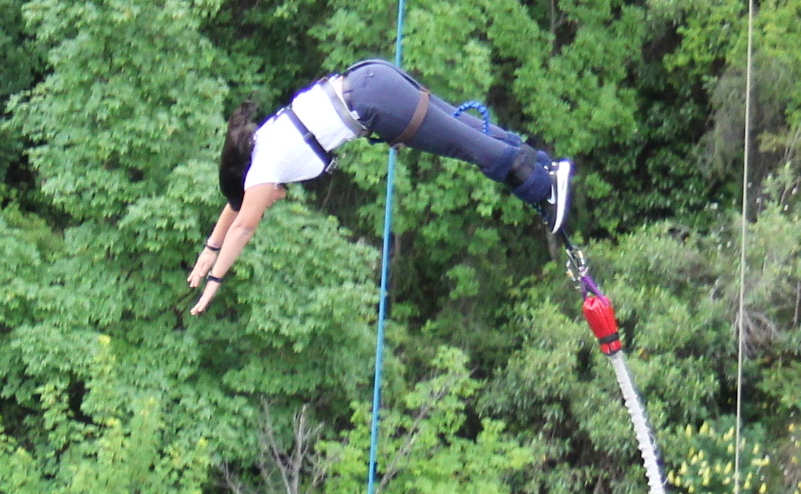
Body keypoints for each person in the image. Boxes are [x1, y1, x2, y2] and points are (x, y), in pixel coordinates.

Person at [184, 59, 576, 316]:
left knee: (467, 145)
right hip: (370, 80)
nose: (271, 201)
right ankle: (542, 164)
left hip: (376, 103)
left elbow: (243, 224)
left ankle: (542, 186)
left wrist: (215, 280)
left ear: (248, 182)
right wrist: (210, 248)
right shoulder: (262, 145)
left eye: (263, 201)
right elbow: (236, 206)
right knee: (466, 131)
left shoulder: (262, 167)